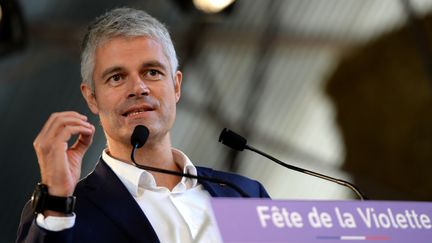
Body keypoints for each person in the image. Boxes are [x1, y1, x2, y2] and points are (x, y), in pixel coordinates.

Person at [16, 7, 269, 243]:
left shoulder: (243, 194)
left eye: (152, 72)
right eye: (117, 77)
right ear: (91, 97)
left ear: (176, 86)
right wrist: (58, 200)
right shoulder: (62, 211)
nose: (138, 88)